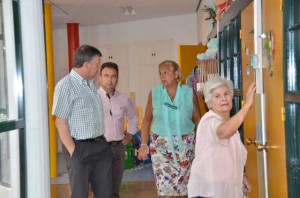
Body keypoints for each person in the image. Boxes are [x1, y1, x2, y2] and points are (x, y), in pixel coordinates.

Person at [52, 45, 112, 198]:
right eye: (97, 65)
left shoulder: (90, 85)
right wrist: (74, 153)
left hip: (101, 146)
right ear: (86, 65)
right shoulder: (65, 86)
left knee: (105, 194)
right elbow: (60, 122)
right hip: (79, 148)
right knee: (80, 194)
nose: (98, 68)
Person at [138, 60, 201, 198]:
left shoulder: (189, 93)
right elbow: (147, 119)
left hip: (185, 146)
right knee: (164, 190)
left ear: (176, 74)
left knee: (183, 190)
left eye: (166, 72)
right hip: (160, 147)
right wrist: (143, 144)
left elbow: (198, 120)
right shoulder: (154, 93)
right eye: (160, 73)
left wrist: (203, 145)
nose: (162, 76)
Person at [187, 77, 254, 198]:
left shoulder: (230, 124)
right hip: (207, 192)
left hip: (225, 191)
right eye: (217, 96)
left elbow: (230, 158)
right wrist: (247, 105)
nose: (223, 98)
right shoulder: (209, 121)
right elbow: (225, 131)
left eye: (226, 94)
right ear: (209, 102)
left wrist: (241, 177)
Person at [98, 62, 138, 198]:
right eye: (106, 76)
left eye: (113, 76)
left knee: (115, 189)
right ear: (100, 78)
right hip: (99, 148)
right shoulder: (93, 98)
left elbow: (133, 117)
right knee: (100, 188)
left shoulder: (123, 99)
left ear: (117, 79)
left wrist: (131, 134)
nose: (110, 79)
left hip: (118, 148)